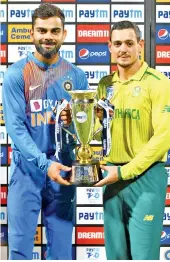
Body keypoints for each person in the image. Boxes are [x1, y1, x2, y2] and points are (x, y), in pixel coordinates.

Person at [2, 3, 88, 260]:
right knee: (19, 251)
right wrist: (43, 163)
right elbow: (16, 128)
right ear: (32, 33)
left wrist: (74, 122)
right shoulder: (17, 74)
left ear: (64, 35)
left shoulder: (76, 75)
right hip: (27, 172)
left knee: (61, 253)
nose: (47, 36)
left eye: (54, 30)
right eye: (41, 30)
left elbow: (80, 130)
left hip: (62, 173)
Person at [94, 20, 170, 260]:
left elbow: (164, 137)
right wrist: (73, 122)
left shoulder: (158, 83)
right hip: (112, 178)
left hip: (146, 177)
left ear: (141, 45)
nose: (123, 49)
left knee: (144, 257)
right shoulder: (105, 85)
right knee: (116, 256)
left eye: (129, 43)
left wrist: (126, 171)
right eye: (117, 43)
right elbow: (99, 132)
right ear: (109, 47)